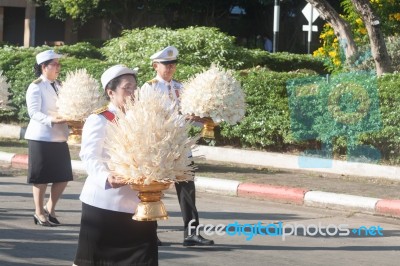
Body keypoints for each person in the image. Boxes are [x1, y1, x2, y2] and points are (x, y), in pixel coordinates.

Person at [73, 65, 158, 266]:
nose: (133, 93)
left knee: (144, 259)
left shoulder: (143, 118)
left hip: (138, 203)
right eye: (127, 88)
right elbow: (89, 155)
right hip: (104, 203)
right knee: (92, 260)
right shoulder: (100, 119)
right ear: (111, 92)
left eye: (135, 88)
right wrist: (106, 177)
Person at [141, 46, 215, 247]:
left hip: (181, 145)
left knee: (187, 190)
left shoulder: (181, 87)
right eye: (166, 65)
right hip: (161, 146)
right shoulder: (150, 87)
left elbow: (190, 113)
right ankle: (149, 233)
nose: (170, 68)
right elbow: (150, 117)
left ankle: (191, 233)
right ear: (155, 66)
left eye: (173, 65)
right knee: (154, 190)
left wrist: (206, 120)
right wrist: (181, 117)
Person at [25, 50, 73, 227]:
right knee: (41, 178)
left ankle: (50, 208)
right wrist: (52, 120)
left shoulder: (60, 85)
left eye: (59, 64)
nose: (58, 68)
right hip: (41, 137)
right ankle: (38, 212)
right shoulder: (36, 86)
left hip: (59, 137)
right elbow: (33, 113)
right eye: (55, 64)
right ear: (44, 67)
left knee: (63, 176)